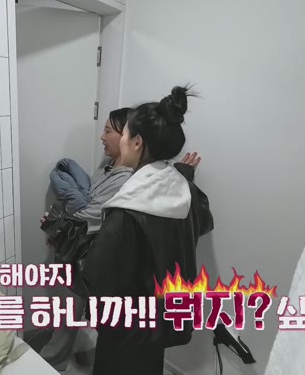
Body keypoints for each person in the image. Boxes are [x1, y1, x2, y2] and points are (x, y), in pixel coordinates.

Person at [81, 86, 214, 375]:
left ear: (137, 142)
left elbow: (98, 277)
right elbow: (201, 223)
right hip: (161, 321)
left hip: (125, 328)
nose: (121, 140)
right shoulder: (185, 190)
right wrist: (185, 176)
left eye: (125, 134)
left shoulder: (127, 208)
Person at [37, 108, 134, 370]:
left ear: (127, 137)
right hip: (80, 249)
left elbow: (90, 213)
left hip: (93, 258)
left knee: (73, 310)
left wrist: (60, 223)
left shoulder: (126, 180)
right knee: (69, 310)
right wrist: (61, 228)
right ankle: (56, 358)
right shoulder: (107, 168)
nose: (102, 136)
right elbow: (85, 202)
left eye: (108, 131)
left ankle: (50, 361)